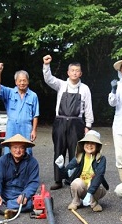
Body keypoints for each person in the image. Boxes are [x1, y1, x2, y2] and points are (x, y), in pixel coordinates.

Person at [42, 54, 94, 190]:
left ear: (80, 73)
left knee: (75, 152)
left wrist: (88, 125)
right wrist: (46, 65)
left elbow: (88, 107)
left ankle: (73, 179)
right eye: (72, 70)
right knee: (58, 151)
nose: (75, 73)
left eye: (77, 71)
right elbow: (48, 79)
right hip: (60, 122)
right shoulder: (61, 85)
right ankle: (58, 179)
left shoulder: (85, 88)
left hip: (77, 123)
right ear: (68, 72)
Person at [0, 134, 39, 219]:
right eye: (15, 147)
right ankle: (7, 208)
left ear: (25, 149)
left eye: (21, 148)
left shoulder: (33, 162)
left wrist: (25, 195)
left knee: (30, 203)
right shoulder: (3, 160)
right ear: (10, 148)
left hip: (20, 194)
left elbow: (33, 183)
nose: (18, 151)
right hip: (4, 193)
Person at [55, 130, 109, 212]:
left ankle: (94, 203)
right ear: (83, 144)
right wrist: (61, 166)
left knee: (94, 181)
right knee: (76, 182)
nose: (89, 145)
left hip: (96, 190)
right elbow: (66, 176)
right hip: (82, 189)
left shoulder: (101, 159)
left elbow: (99, 175)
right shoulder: (78, 157)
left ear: (97, 146)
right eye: (87, 142)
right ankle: (76, 201)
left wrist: (90, 193)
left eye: (93, 143)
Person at [0, 63, 39, 155]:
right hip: (12, 126)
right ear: (16, 82)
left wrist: (34, 130)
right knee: (9, 150)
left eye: (24, 80)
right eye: (20, 81)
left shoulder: (33, 95)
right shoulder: (9, 92)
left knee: (26, 151)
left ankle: (26, 169)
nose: (22, 83)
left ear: (28, 81)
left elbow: (35, 115)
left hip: (26, 127)